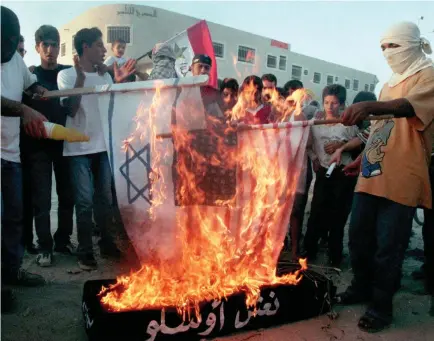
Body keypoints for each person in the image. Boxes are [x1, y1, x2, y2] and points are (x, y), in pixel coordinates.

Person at [337, 21, 434, 332]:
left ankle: (381, 307)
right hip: (372, 171)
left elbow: (406, 109)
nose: (387, 53)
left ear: (412, 43)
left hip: (403, 173)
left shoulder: (429, 75)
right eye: (382, 47)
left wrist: (367, 105)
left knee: (388, 246)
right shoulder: (388, 84)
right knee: (359, 237)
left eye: (393, 46)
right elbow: (381, 128)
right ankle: (361, 287)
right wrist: (363, 159)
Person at [57, 27, 136, 270]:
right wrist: (81, 78)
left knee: (104, 199)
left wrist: (117, 81)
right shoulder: (66, 76)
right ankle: (84, 251)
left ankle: (107, 243)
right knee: (84, 202)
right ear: (85, 48)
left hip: (102, 147)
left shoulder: (105, 75)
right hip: (77, 148)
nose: (104, 50)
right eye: (99, 46)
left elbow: (114, 107)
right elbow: (70, 110)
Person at [20, 25, 75, 267]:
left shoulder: (69, 73)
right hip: (37, 147)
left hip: (65, 145)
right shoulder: (30, 77)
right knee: (41, 200)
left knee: (67, 196)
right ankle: (45, 247)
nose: (50, 50)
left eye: (54, 44)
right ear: (37, 48)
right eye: (45, 45)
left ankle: (63, 240)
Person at [1, 5, 46, 289]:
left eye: (10, 46)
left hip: (12, 154)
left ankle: (12, 272)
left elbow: (31, 86)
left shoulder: (16, 61)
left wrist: (38, 91)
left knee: (15, 218)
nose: (6, 52)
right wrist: (24, 110)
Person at [303, 84, 359, 266]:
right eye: (326, 102)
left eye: (334, 103)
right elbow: (309, 145)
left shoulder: (348, 124)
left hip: (342, 174)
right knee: (317, 212)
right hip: (322, 173)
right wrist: (314, 159)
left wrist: (340, 144)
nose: (329, 106)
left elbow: (358, 144)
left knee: (338, 215)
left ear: (341, 104)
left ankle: (335, 255)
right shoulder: (316, 123)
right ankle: (309, 251)